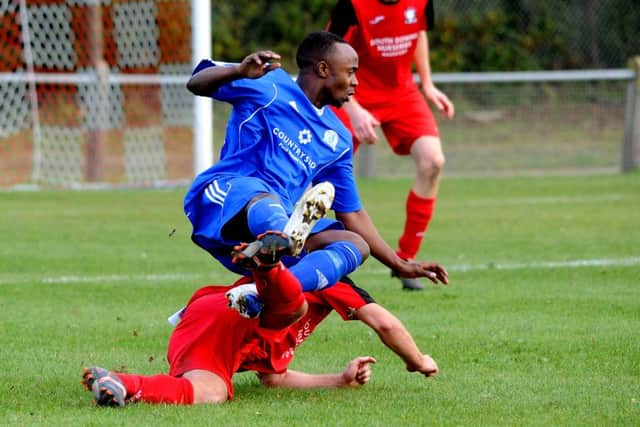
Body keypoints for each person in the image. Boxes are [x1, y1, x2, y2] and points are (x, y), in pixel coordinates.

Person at [183, 31, 446, 295]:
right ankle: (282, 235)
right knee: (263, 198)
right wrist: (238, 71)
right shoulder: (268, 83)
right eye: (351, 72)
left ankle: (269, 293)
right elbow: (196, 83)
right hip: (226, 197)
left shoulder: (338, 139)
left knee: (354, 245)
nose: (355, 83)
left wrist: (400, 264)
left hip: (271, 234)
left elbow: (352, 213)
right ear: (323, 69)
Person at [82, 230, 446, 407]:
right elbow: (385, 323)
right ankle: (126, 383)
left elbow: (273, 379)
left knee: (204, 385)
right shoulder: (329, 278)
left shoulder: (307, 283)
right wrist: (419, 361)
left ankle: (119, 383)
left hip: (204, 312)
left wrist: (339, 379)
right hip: (228, 322)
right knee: (211, 393)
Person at [327, 0, 455, 290]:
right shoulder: (352, 6)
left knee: (433, 161)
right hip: (351, 91)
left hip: (401, 91)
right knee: (327, 174)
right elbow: (326, 58)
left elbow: (418, 32)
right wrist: (353, 109)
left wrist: (428, 83)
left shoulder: (422, 2)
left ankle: (407, 260)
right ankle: (314, 257)